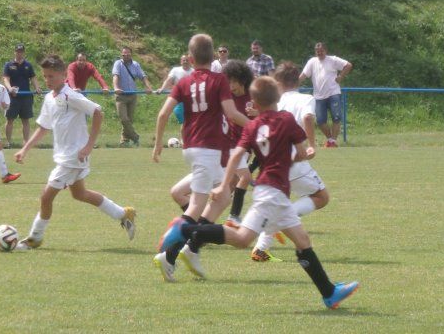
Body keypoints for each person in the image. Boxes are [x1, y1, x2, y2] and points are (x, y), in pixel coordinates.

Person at [157, 76, 359, 309]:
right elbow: (302, 153)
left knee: (296, 240)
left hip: (268, 190)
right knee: (244, 239)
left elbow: (236, 155)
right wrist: (305, 153)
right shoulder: (286, 119)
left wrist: (223, 185)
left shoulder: (252, 126)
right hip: (274, 192)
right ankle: (185, 229)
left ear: (254, 102)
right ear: (277, 97)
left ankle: (329, 293)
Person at [152, 34, 249, 282]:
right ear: (214, 55)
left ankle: (192, 248)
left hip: (193, 148)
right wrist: (256, 126)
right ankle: (168, 253)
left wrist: (158, 144)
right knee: (196, 206)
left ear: (191, 58)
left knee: (223, 196)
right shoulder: (219, 80)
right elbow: (231, 113)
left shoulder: (183, 82)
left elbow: (163, 114)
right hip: (209, 149)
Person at [14, 54, 136, 249]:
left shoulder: (70, 95)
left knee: (46, 197)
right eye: (45, 76)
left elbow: (97, 113)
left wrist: (89, 146)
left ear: (63, 75)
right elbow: (43, 127)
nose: (47, 80)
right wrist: (25, 149)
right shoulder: (49, 98)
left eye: (51, 76)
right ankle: (123, 213)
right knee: (80, 194)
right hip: (65, 157)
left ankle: (35, 238)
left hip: (73, 157)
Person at [251, 61, 329, 262]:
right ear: (298, 80)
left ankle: (260, 249)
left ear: (278, 81)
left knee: (278, 203)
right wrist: (311, 145)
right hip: (296, 160)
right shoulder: (305, 98)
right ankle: (279, 223)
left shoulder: (274, 101)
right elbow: (308, 118)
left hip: (273, 162)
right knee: (321, 197)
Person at [299, 42, 352, 147]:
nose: (319, 53)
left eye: (321, 51)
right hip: (318, 96)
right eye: (317, 51)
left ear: (325, 51)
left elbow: (348, 65)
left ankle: (333, 142)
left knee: (336, 118)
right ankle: (330, 139)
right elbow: (304, 75)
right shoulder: (312, 62)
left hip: (333, 93)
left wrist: (341, 76)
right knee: (320, 121)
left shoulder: (333, 60)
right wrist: (293, 84)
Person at [221, 60, 255, 228]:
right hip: (232, 144)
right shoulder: (227, 98)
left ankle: (205, 214)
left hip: (247, 146)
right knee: (245, 178)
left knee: (231, 184)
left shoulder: (253, 95)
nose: (231, 86)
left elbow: (270, 113)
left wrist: (257, 113)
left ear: (243, 79)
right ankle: (233, 216)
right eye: (228, 81)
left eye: (234, 81)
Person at [112, 46, 153, 147]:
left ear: (131, 54)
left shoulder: (135, 64)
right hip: (121, 96)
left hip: (132, 96)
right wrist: (116, 87)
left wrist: (148, 87)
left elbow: (143, 76)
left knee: (129, 120)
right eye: (124, 54)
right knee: (124, 119)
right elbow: (115, 76)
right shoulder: (118, 64)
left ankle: (124, 141)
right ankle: (135, 137)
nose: (126, 55)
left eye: (128, 54)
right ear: (121, 55)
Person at [3, 44, 41, 147]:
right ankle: (8, 142)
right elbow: (6, 79)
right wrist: (10, 88)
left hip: (26, 97)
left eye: (21, 51)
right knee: (10, 119)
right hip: (13, 97)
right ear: (14, 52)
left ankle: (26, 142)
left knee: (26, 120)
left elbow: (33, 78)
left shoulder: (28, 65)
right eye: (17, 51)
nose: (19, 53)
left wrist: (37, 87)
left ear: (23, 53)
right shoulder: (8, 65)